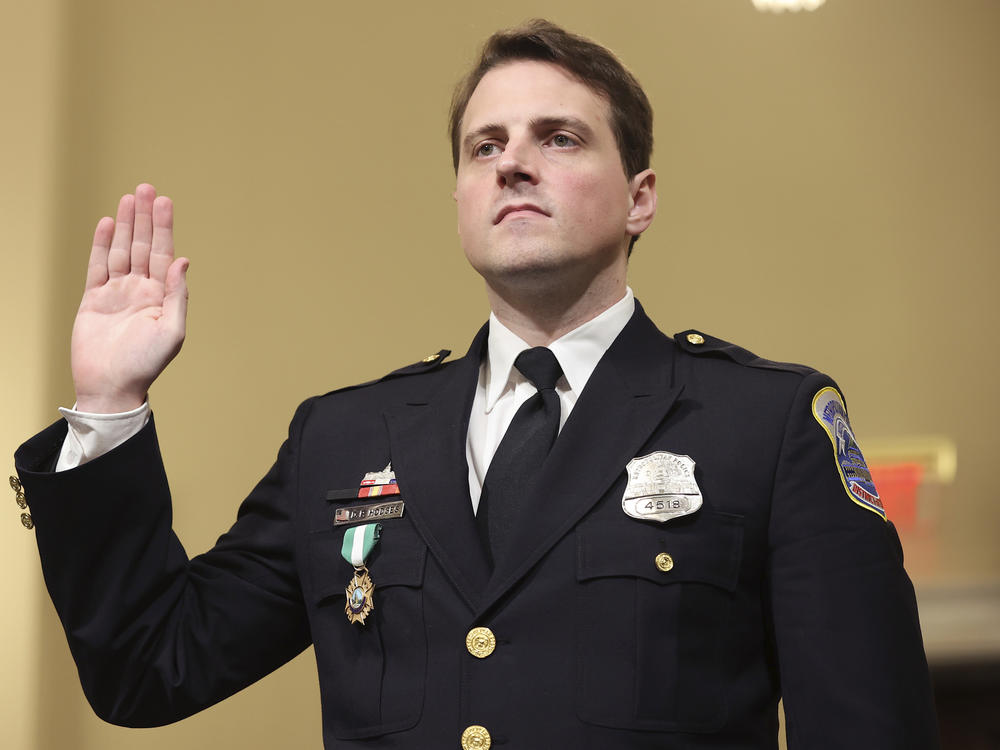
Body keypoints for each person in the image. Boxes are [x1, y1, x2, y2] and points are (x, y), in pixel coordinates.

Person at [12, 19, 939, 750]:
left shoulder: (765, 423)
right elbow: (151, 668)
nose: (513, 162)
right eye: (483, 145)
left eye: (560, 137)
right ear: (460, 195)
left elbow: (867, 729)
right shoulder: (345, 438)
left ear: (640, 196)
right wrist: (107, 407)